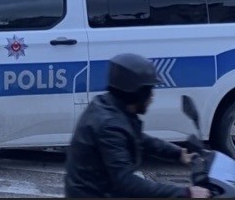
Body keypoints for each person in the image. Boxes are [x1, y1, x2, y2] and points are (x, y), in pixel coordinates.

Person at [64, 53, 211, 198]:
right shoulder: (109, 126)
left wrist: (178, 153)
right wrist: (186, 192)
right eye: (149, 90)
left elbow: (139, 138)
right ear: (138, 93)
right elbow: (127, 183)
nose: (152, 96)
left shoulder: (111, 107)